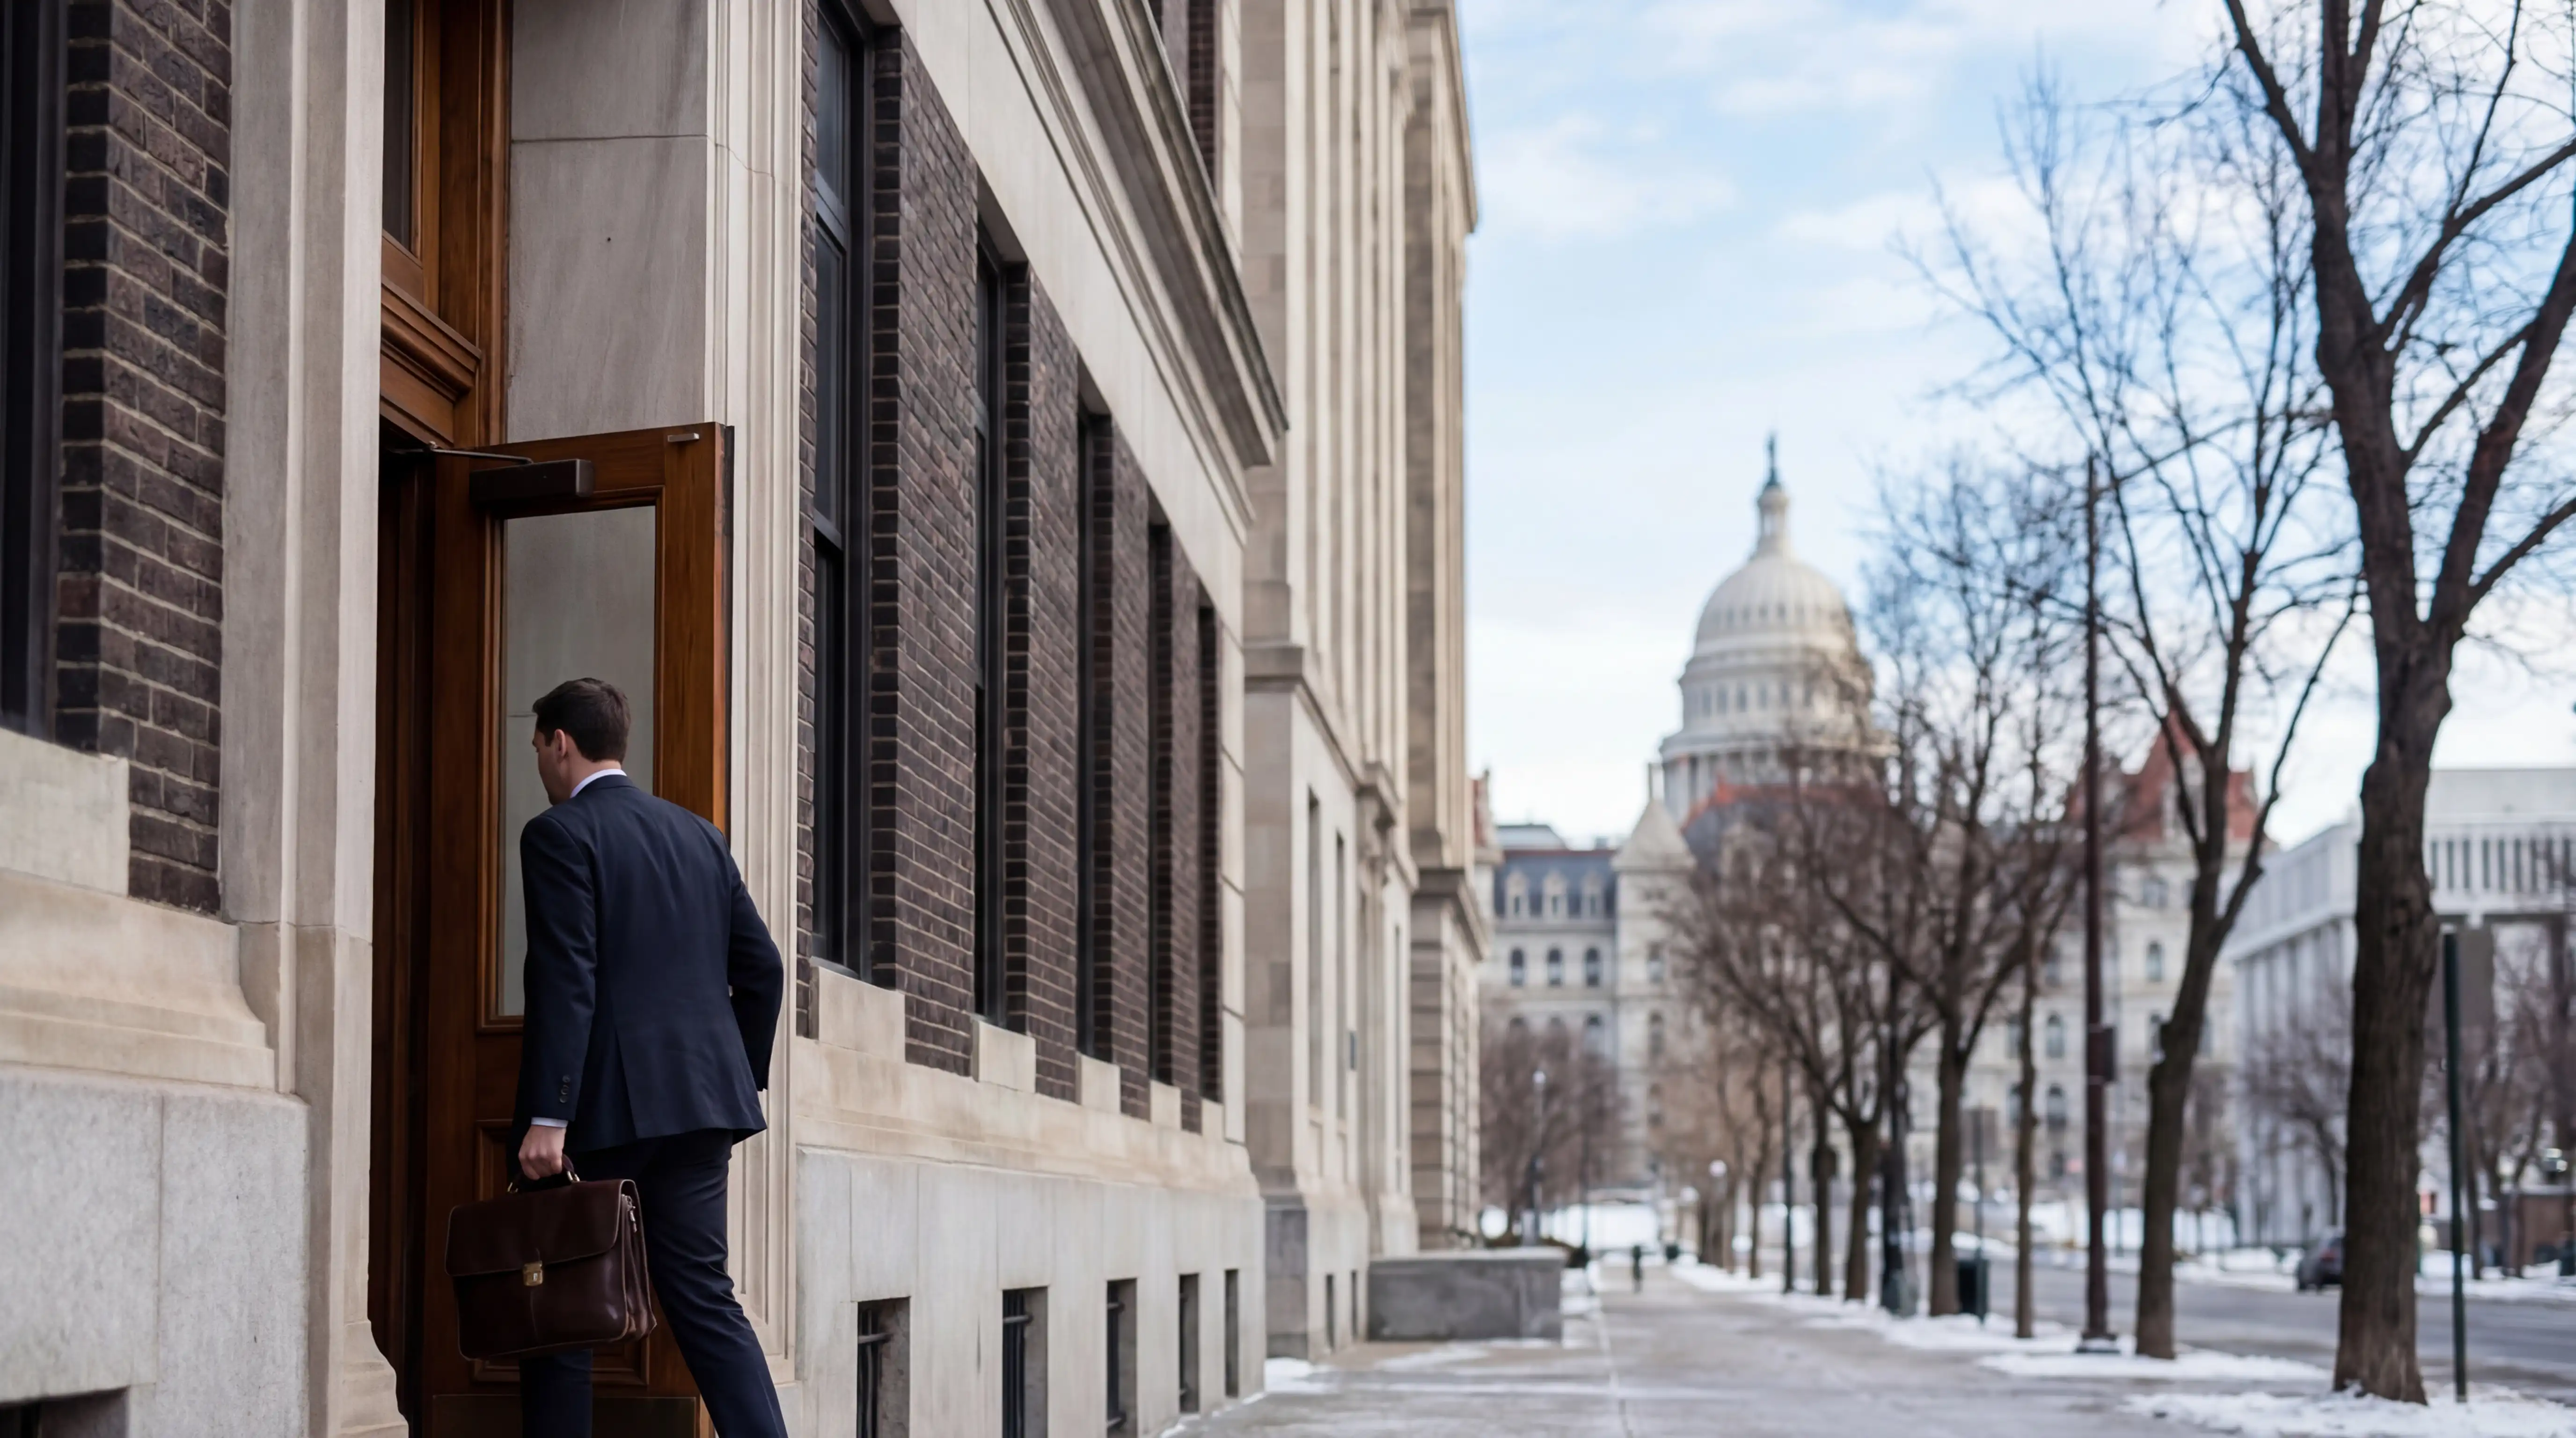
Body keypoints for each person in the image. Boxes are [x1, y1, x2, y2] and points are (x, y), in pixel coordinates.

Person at [511, 677, 787, 1438]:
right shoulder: (700, 835)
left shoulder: (559, 835)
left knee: (565, 1304)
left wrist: (548, 1115)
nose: (537, 761)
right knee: (703, 1297)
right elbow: (763, 970)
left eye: (536, 746)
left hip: (601, 1113)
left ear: (560, 742)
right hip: (702, 1111)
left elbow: (570, 978)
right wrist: (733, 1077)